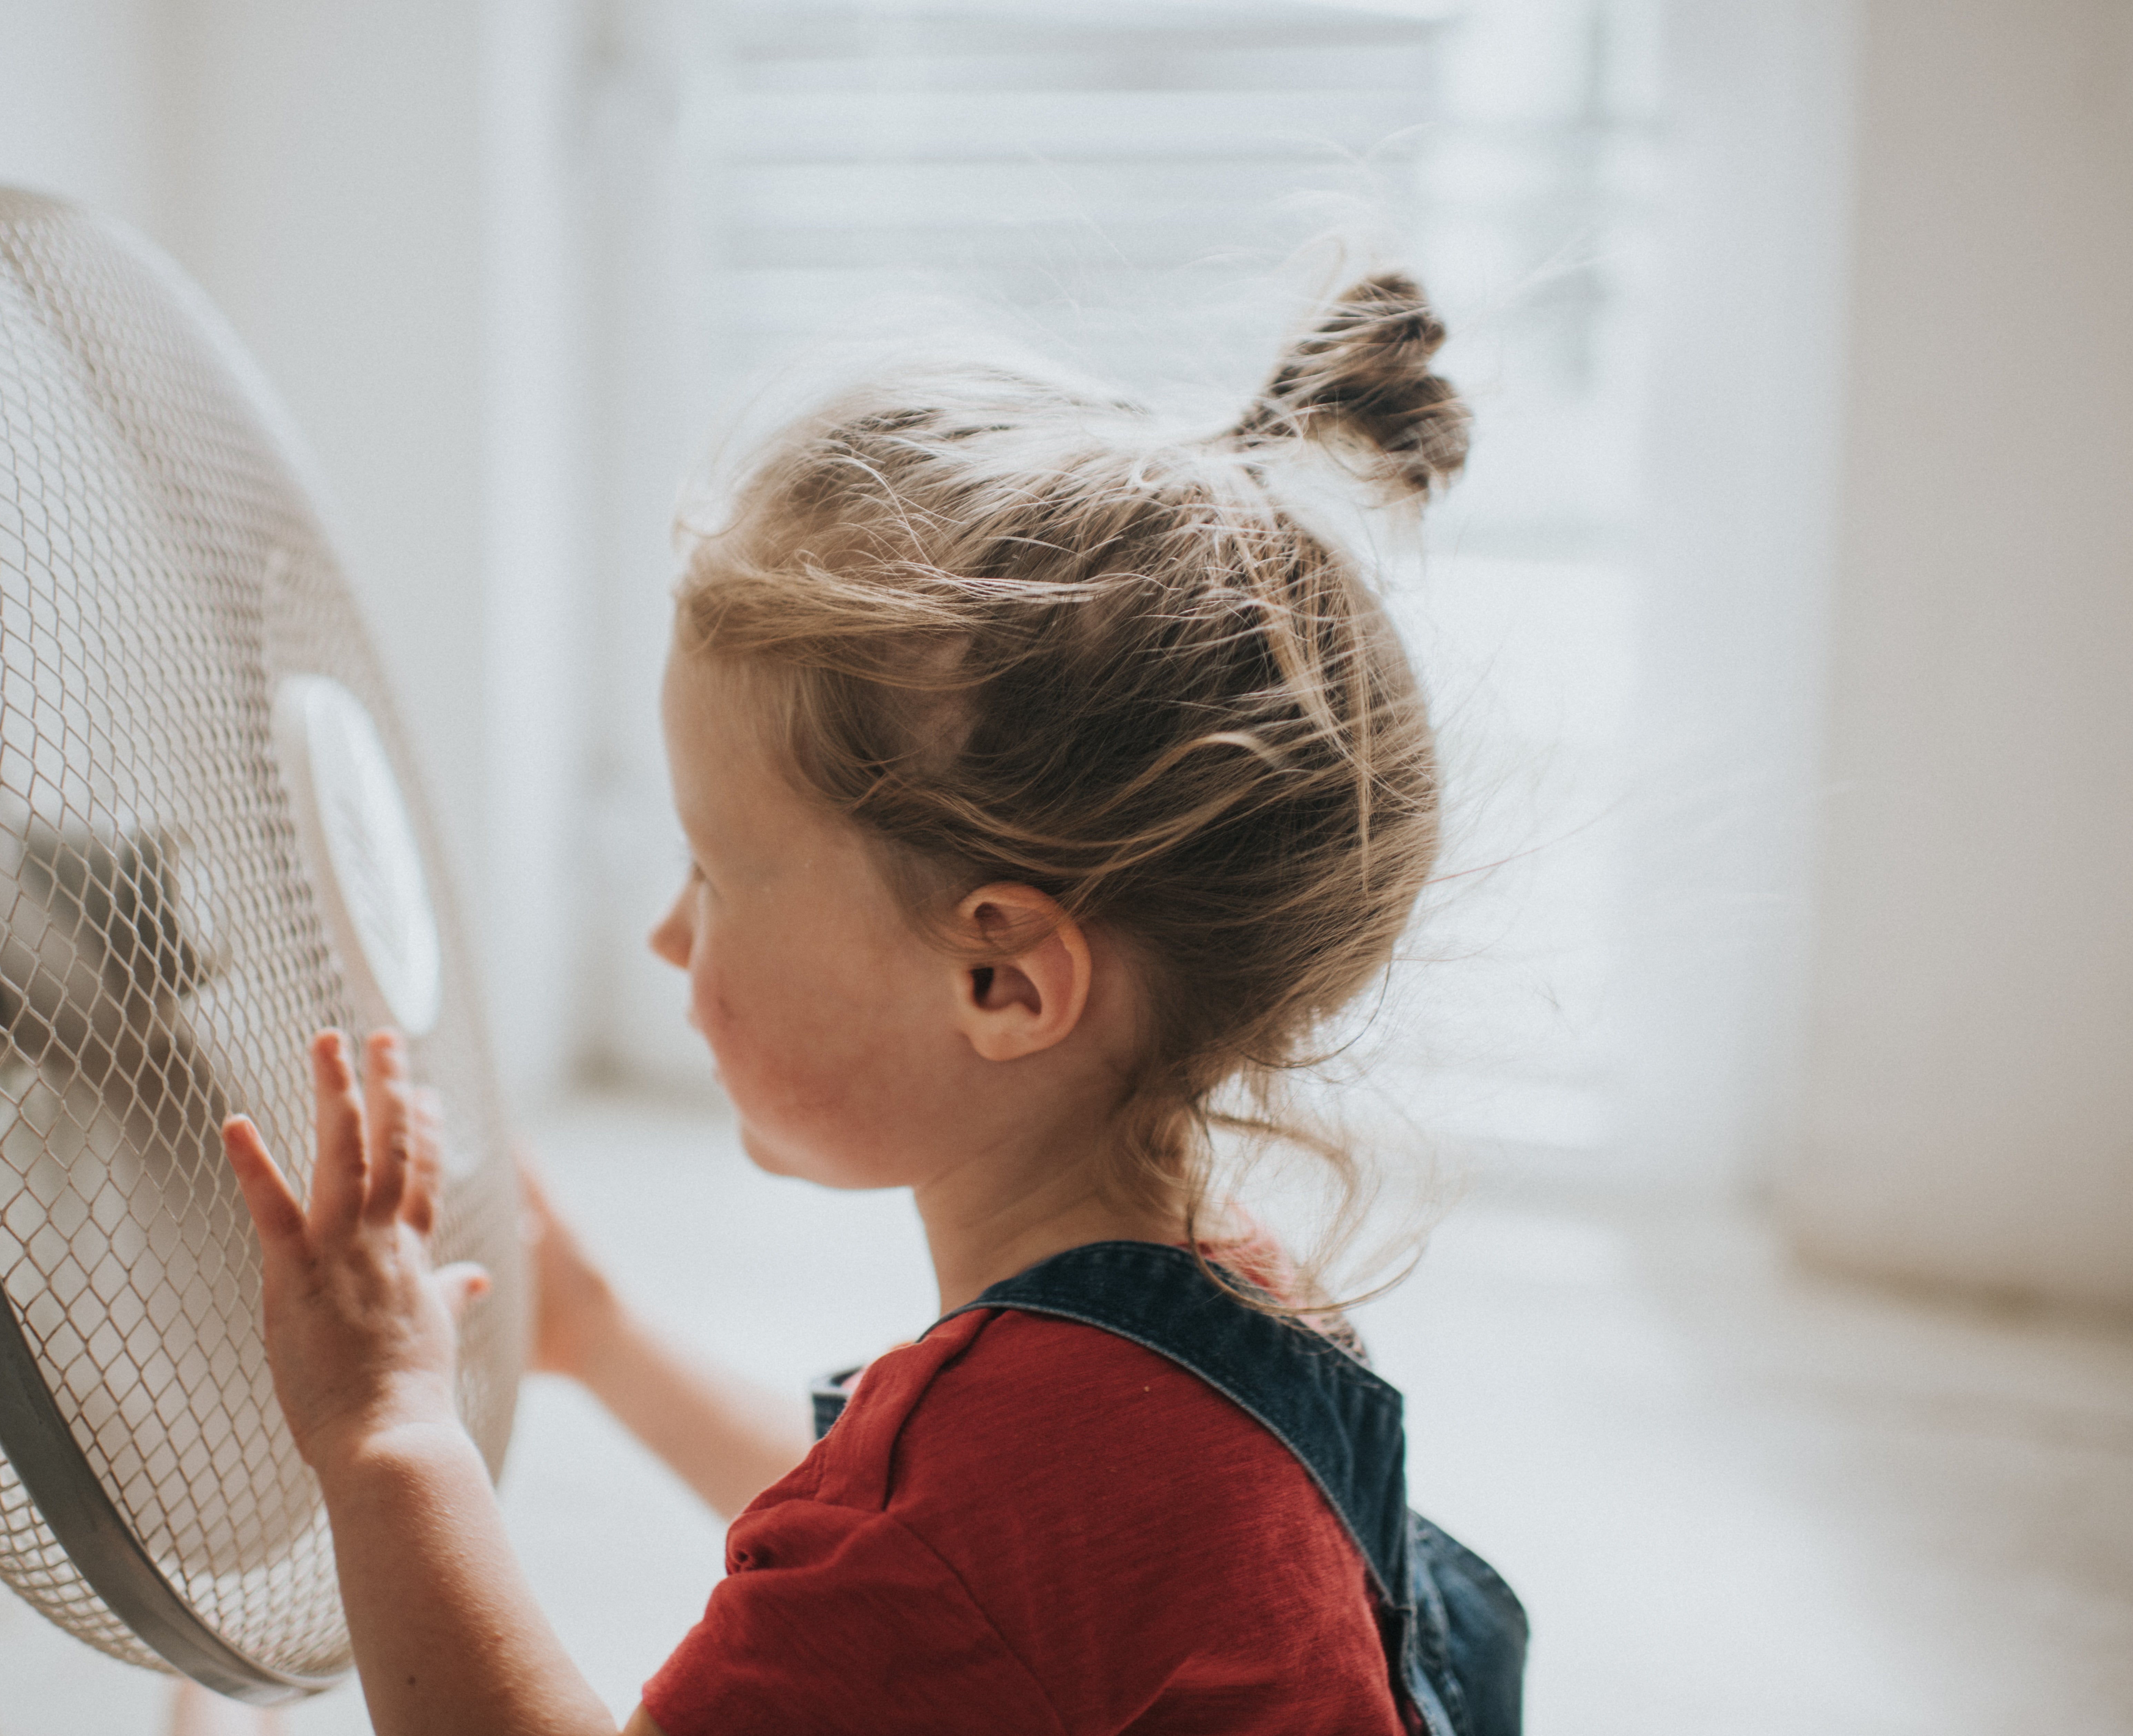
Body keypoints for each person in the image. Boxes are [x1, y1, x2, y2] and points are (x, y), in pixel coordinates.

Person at [221, 270, 1508, 1736]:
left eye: (713, 870)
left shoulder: (987, 1493)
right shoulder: (1220, 1301)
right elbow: (921, 1586)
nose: (662, 930)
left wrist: (387, 1435)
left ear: (1001, 979)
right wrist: (605, 1335)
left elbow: (922, 1556)